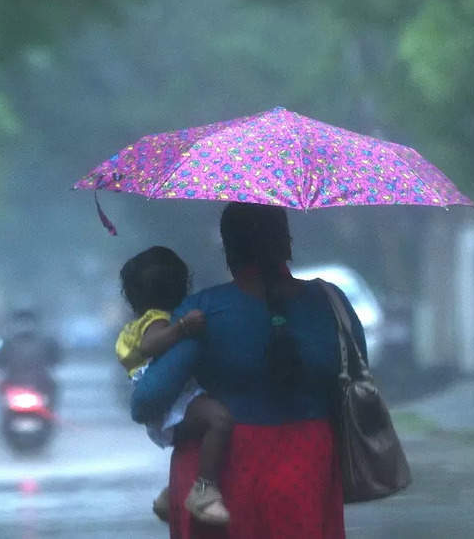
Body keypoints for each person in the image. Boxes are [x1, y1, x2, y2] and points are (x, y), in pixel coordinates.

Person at [131, 203, 367, 539]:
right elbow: (357, 378)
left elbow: (146, 401)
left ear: (229, 249)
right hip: (309, 470)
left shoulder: (204, 311)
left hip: (224, 484)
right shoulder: (330, 303)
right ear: (287, 242)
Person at [117, 246, 234, 525]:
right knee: (220, 420)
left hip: (172, 401)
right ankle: (204, 491)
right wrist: (182, 327)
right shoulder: (157, 320)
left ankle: (173, 494)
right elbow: (150, 344)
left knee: (198, 441)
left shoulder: (143, 320)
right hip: (175, 402)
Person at [0, 309, 62, 406]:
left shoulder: (46, 342)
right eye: (21, 322)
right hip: (14, 382)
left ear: (34, 324)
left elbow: (55, 359)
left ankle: (50, 413)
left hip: (39, 382)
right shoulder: (7, 343)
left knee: (54, 387)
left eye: (27, 322)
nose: (24, 326)